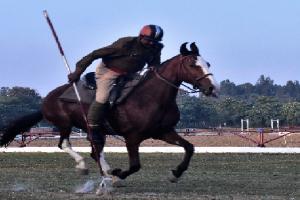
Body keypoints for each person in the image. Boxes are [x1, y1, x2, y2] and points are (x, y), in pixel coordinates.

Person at [68, 24, 164, 149]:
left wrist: (154, 66)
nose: (151, 44)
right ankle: (92, 128)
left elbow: (155, 61)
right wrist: (77, 72)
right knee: (103, 97)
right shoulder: (125, 43)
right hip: (108, 71)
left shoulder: (156, 47)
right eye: (149, 41)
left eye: (154, 42)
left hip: (130, 74)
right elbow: (94, 54)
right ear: (141, 37)